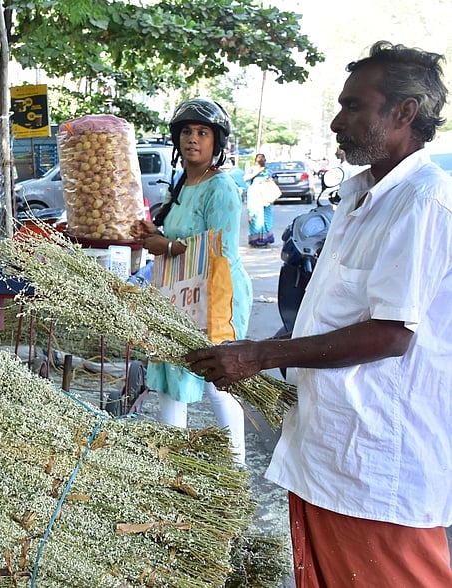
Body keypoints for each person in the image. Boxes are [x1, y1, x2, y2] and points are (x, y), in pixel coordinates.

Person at [185, 41, 452, 585]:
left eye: (354, 106)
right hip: (328, 448)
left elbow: (388, 336)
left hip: (376, 462)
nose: (337, 120)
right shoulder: (360, 197)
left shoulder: (423, 201)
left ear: (404, 113)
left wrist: (259, 354)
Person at [132, 98, 253, 466]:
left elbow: (220, 248)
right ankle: (173, 466)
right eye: (186, 132)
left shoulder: (221, 188)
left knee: (219, 377)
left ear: (217, 142)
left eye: (202, 132)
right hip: (178, 292)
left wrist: (164, 246)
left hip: (217, 295)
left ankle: (236, 470)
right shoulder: (183, 182)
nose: (193, 140)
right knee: (171, 370)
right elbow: (179, 234)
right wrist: (156, 233)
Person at [243, 153, 275, 247]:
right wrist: (258, 171)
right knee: (254, 216)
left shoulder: (268, 170)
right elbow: (246, 178)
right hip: (254, 195)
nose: (261, 160)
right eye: (259, 158)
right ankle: (254, 241)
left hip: (266, 196)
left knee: (266, 217)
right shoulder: (252, 169)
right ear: (255, 160)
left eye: (262, 158)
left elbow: (272, 180)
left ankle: (267, 239)